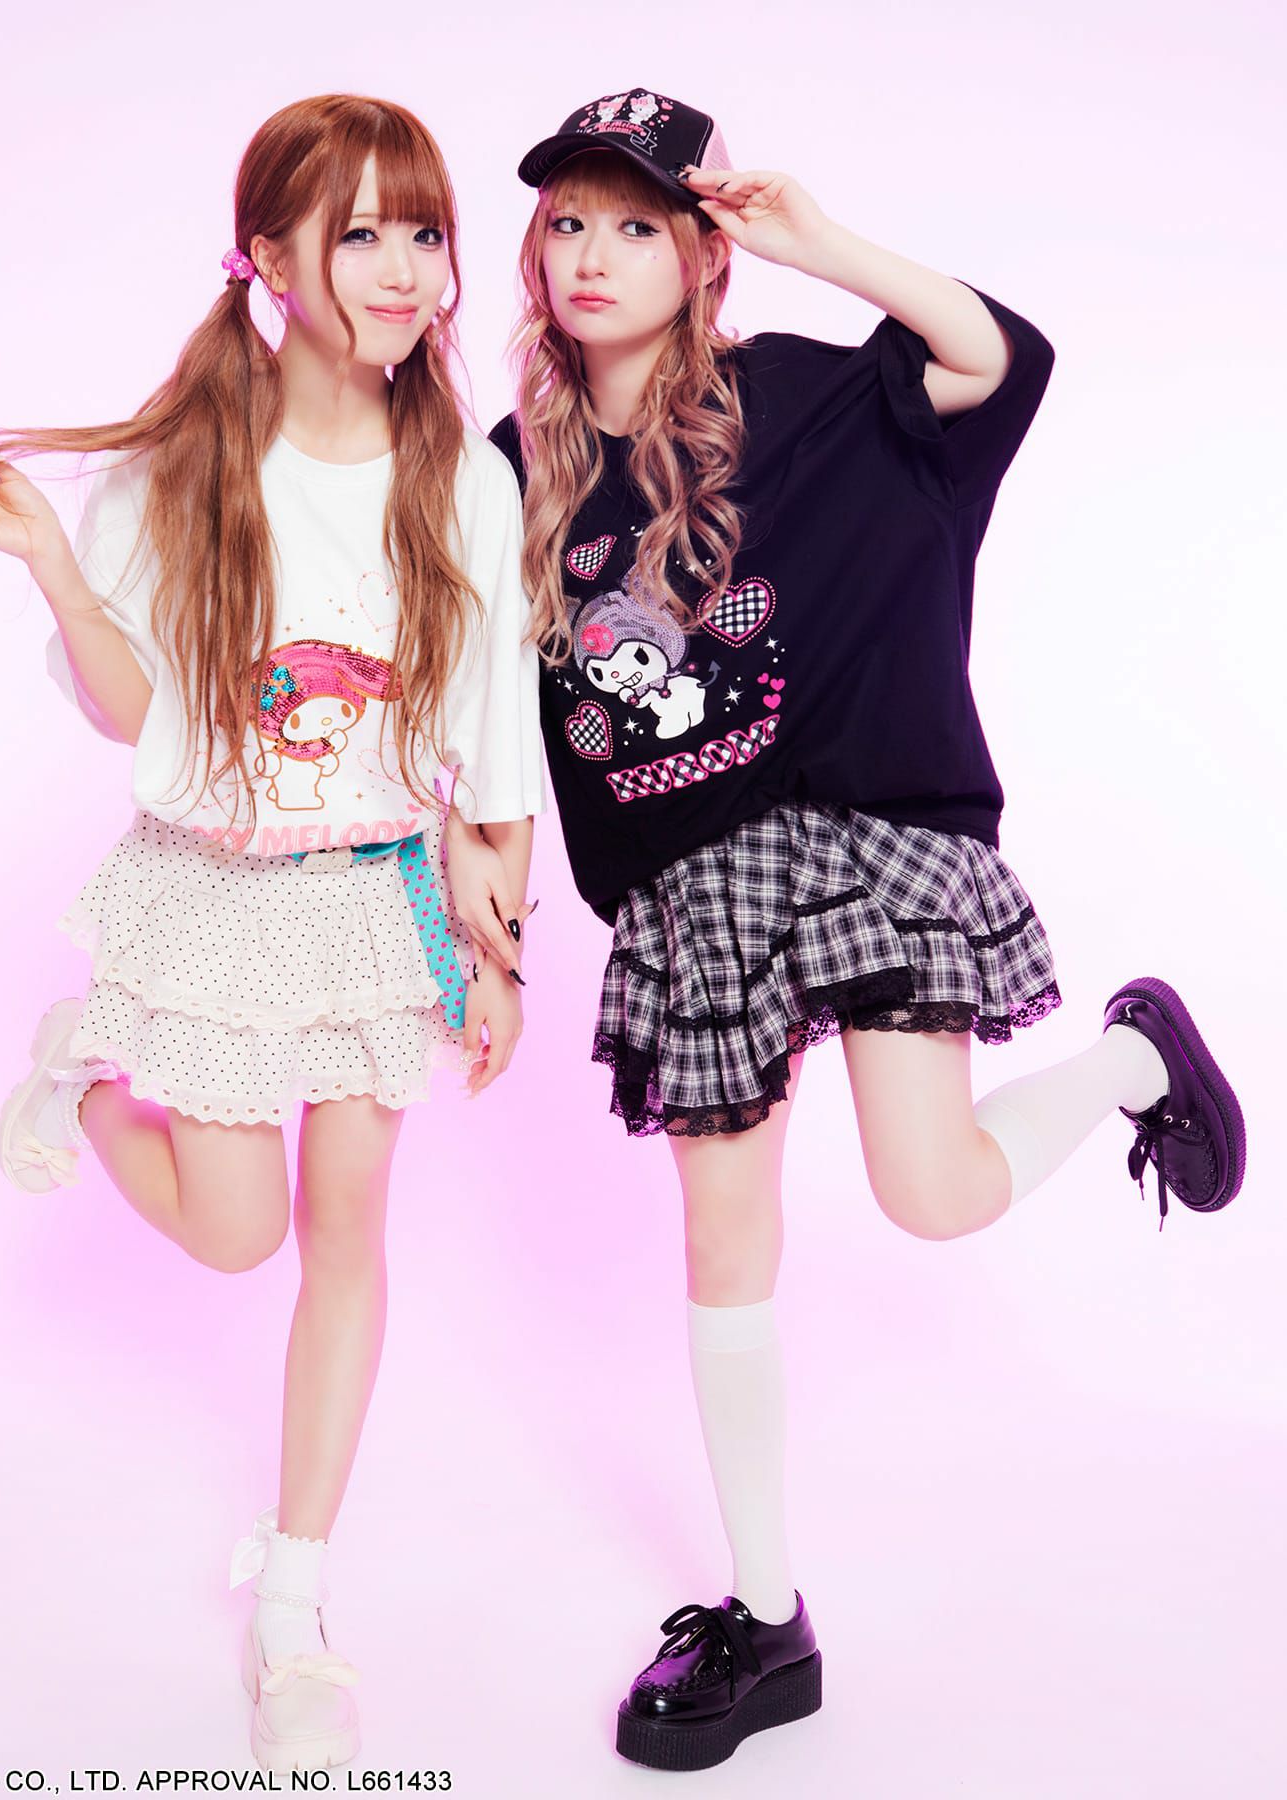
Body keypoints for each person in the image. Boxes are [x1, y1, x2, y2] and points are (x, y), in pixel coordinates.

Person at [488, 87, 1246, 1773]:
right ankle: (767, 1619)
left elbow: (994, 360)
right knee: (724, 1244)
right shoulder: (515, 473)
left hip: (861, 831)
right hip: (694, 891)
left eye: (636, 225)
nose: (593, 253)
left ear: (701, 255)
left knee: (934, 1191)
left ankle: (1130, 1060)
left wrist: (820, 244)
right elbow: (485, 706)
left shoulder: (801, 392)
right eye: (567, 222)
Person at [0, 94, 545, 1775]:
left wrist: (497, 948)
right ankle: (85, 1082)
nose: (406, 270)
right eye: (361, 233)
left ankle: (296, 1605)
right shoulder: (190, 461)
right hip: (213, 889)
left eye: (425, 233)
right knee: (233, 1236)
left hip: (375, 894)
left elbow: (493, 731)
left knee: (347, 1235)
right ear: (269, 257)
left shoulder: (459, 478)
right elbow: (137, 718)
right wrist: (53, 568)